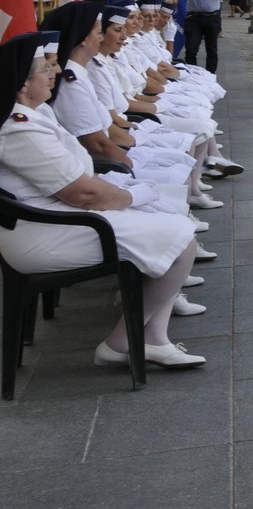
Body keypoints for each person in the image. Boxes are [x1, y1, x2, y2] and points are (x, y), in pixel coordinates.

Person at [0, 33, 206, 370]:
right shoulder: (19, 127)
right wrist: (130, 197)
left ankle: (154, 337)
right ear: (23, 85)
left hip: (59, 216)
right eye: (46, 69)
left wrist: (125, 194)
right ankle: (120, 342)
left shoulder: (34, 115)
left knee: (173, 221)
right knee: (181, 238)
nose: (54, 72)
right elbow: (81, 192)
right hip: (44, 232)